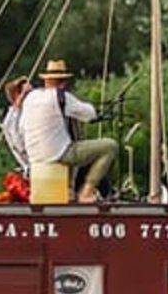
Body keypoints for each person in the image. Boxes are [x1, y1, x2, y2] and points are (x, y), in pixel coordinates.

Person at [19, 59, 119, 204]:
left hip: (34, 156)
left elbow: (22, 128)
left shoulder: (30, 98)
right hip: (58, 154)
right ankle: (87, 192)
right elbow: (90, 114)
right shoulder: (61, 97)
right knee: (110, 146)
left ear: (46, 80)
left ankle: (70, 191)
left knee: (69, 144)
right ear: (64, 82)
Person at [0, 76, 32, 169]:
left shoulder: (28, 113)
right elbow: (20, 146)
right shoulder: (11, 120)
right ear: (18, 96)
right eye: (27, 93)